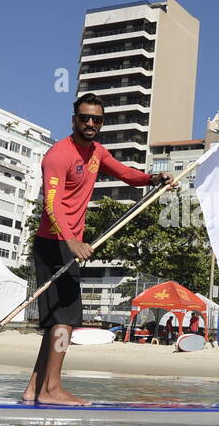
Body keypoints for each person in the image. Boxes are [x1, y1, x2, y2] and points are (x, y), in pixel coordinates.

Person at [22, 94, 173, 405]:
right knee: (65, 319)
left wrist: (153, 178)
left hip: (67, 244)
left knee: (55, 320)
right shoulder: (58, 156)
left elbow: (125, 174)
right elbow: (51, 204)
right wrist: (71, 240)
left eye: (97, 119)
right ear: (74, 119)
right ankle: (52, 390)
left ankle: (35, 389)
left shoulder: (97, 152)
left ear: (102, 123)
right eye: (84, 118)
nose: (90, 123)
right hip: (54, 244)